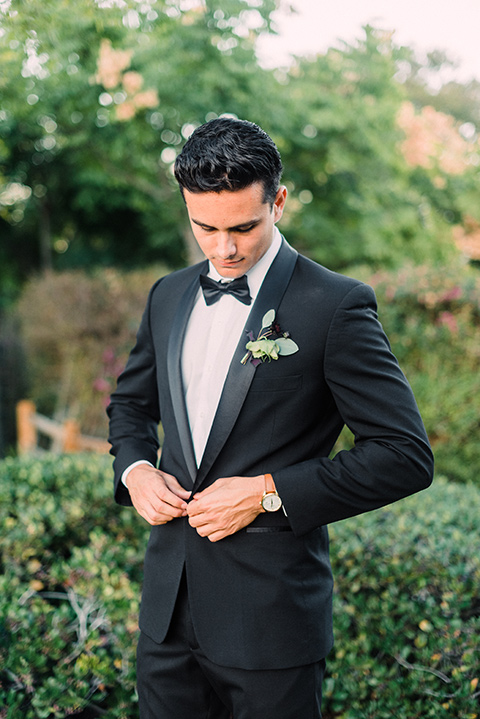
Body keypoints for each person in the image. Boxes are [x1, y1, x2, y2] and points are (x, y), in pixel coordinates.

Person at [107, 117, 434, 719]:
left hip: (271, 623)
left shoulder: (335, 305)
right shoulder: (168, 295)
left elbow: (404, 454)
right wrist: (135, 471)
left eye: (243, 227)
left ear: (278, 201)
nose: (223, 248)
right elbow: (130, 404)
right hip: (165, 618)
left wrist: (266, 493)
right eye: (204, 227)